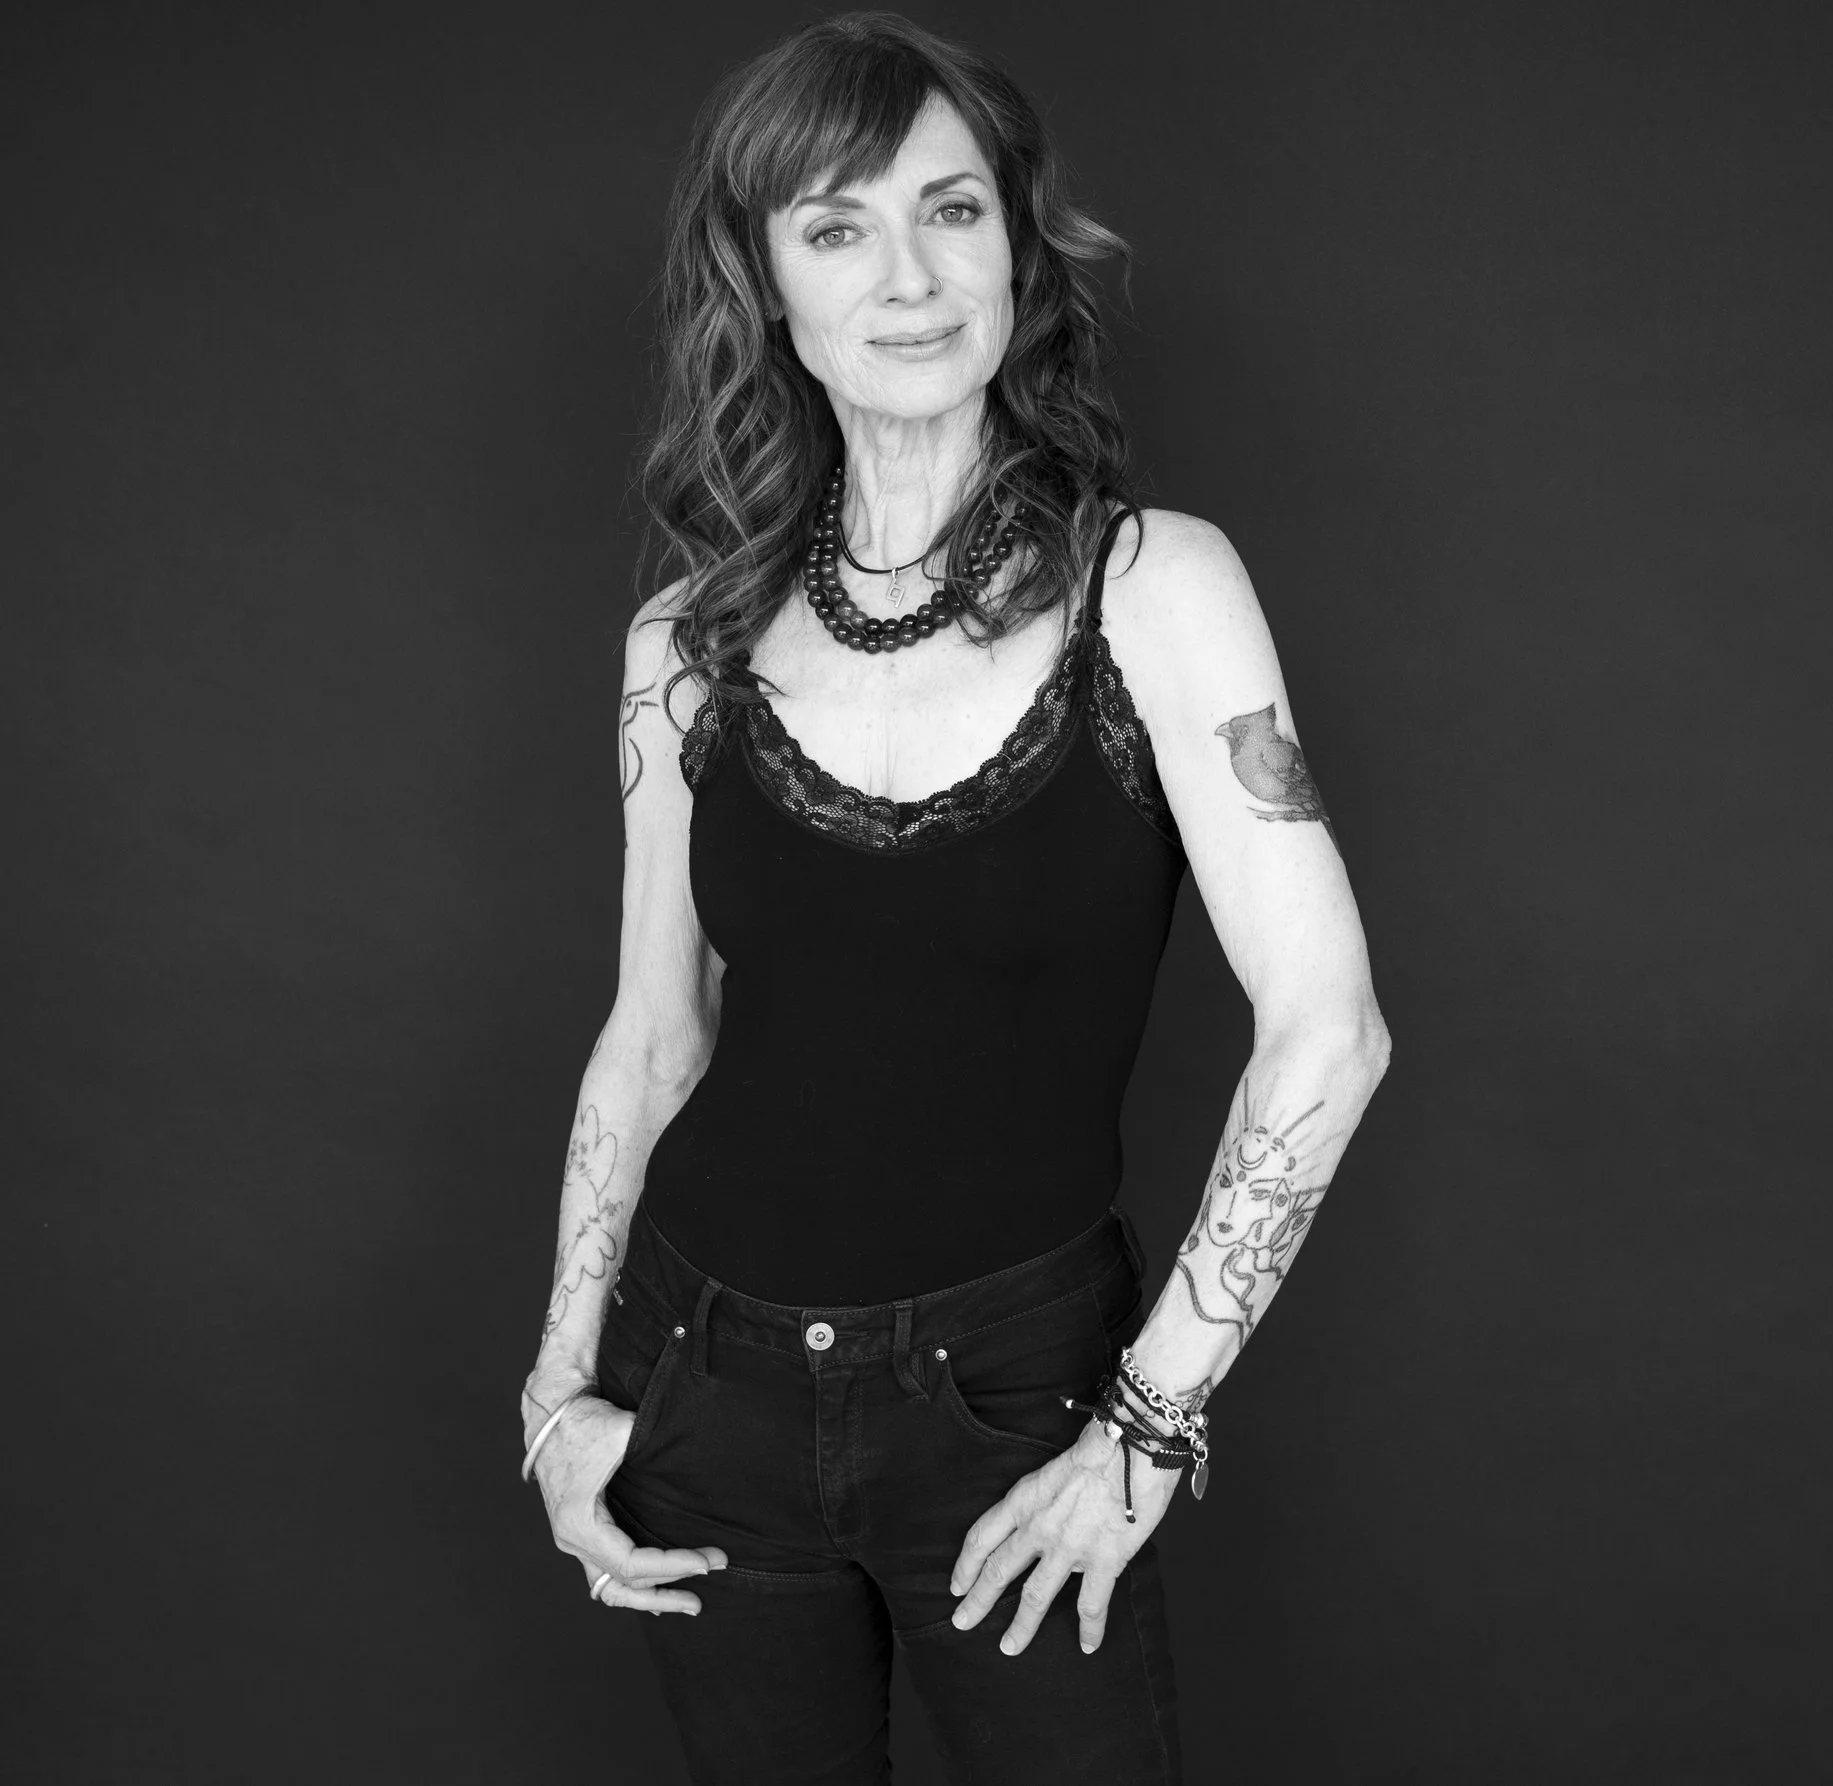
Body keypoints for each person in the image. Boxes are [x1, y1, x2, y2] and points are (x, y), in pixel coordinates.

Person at [513, 13, 1391, 1783]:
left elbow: (1329, 1031)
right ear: (768, 285)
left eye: (952, 209)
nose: (908, 277)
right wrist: (556, 1392)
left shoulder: (1158, 588)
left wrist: (1142, 1431)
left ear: (1015, 247)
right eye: (838, 227)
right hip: (704, 1380)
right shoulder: (684, 646)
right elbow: (654, 1033)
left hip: (1017, 1398)